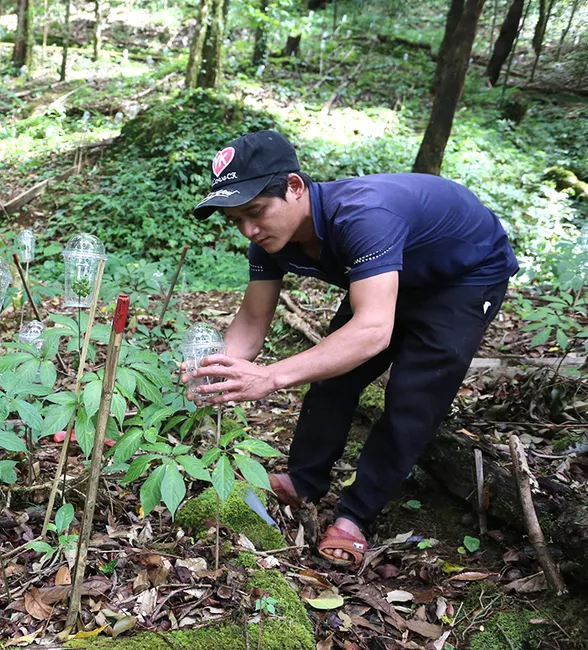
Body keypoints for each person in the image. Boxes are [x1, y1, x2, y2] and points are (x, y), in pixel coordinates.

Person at [185, 130, 518, 567]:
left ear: (295, 186)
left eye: (255, 211)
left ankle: (355, 516)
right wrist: (211, 369)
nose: (249, 229)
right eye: (236, 219)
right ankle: (303, 482)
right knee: (330, 378)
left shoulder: (362, 216)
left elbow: (373, 329)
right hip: (387, 279)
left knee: (411, 399)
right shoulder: (269, 240)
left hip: (462, 276)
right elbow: (250, 322)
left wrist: (271, 376)